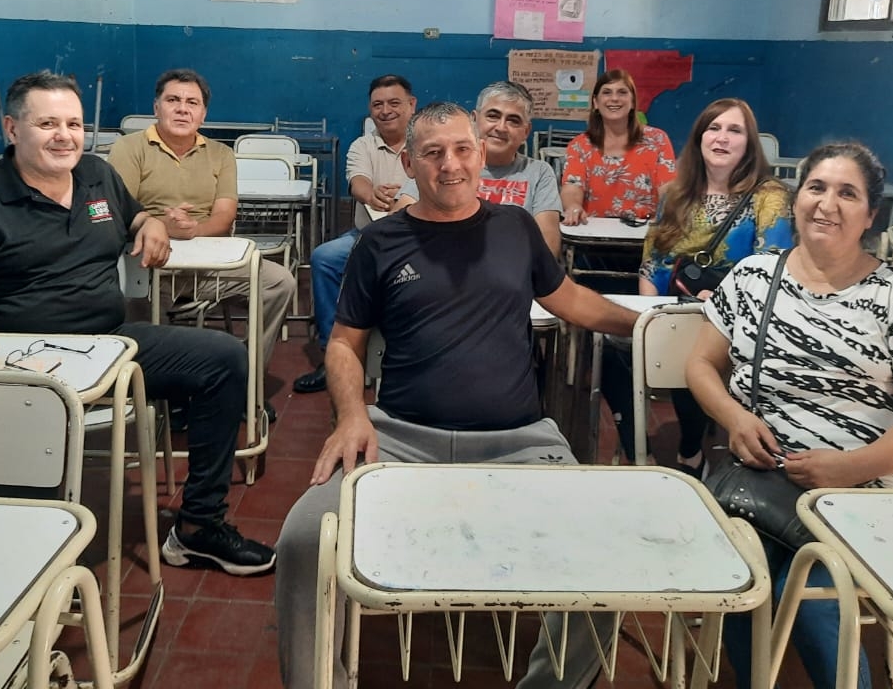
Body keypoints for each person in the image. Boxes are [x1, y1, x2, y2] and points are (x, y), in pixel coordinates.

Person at [274, 102, 642, 689]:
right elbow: (344, 342)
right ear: (409, 163)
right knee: (303, 539)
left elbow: (571, 300)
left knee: (607, 547)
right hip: (399, 437)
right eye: (433, 153)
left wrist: (648, 324)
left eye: (462, 149)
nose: (450, 164)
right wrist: (350, 416)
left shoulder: (515, 228)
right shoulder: (380, 241)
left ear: (480, 153)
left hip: (518, 442)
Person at [0, 70, 276, 576]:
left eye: (74, 124)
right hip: (21, 361)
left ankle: (198, 528)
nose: (64, 136)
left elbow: (133, 213)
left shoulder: (97, 175)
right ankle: (16, 558)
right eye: (47, 124)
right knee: (27, 543)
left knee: (225, 358)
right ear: (12, 129)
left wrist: (149, 224)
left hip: (108, 344)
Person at [685, 141, 893, 689]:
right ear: (796, 199)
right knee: (741, 579)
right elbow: (700, 364)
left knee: (812, 597)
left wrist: (849, 467)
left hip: (868, 486)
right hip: (767, 476)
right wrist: (735, 419)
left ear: (870, 215)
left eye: (847, 194)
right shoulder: (752, 278)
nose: (827, 204)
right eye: (816, 187)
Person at [601, 98, 793, 473]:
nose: (722, 138)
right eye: (713, 128)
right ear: (699, 137)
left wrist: (720, 301)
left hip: (735, 321)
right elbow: (654, 263)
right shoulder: (675, 193)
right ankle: (639, 452)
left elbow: (770, 272)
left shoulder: (769, 197)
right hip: (675, 310)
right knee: (611, 350)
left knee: (691, 347)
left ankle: (691, 452)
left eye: (734, 130)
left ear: (749, 143)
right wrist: (649, 319)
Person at [108, 69, 298, 380]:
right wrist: (162, 225)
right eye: (173, 100)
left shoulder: (220, 154)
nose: (182, 109)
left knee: (279, 282)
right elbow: (120, 211)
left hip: (208, 267)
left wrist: (194, 229)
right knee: (143, 323)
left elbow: (224, 216)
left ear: (203, 114)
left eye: (192, 103)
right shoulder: (129, 148)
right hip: (150, 266)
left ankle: (246, 376)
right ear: (156, 107)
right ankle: (162, 391)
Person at [294, 74, 416, 394]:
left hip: (417, 239)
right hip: (367, 237)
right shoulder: (363, 144)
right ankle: (332, 356)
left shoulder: (426, 142)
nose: (385, 111)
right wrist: (371, 193)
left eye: (394, 103)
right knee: (324, 258)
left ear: (411, 105)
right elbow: (357, 181)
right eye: (377, 105)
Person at [392, 79, 562, 254]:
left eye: (513, 120)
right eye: (493, 116)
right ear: (474, 119)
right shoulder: (445, 166)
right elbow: (398, 227)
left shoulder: (539, 172)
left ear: (526, 131)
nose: (501, 127)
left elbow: (548, 246)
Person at [560, 68, 676, 225]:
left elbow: (668, 189)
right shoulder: (579, 145)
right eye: (607, 92)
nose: (614, 98)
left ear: (633, 101)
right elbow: (572, 187)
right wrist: (573, 207)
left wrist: (669, 213)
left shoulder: (657, 140)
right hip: (593, 232)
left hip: (645, 232)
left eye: (622, 92)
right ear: (595, 102)